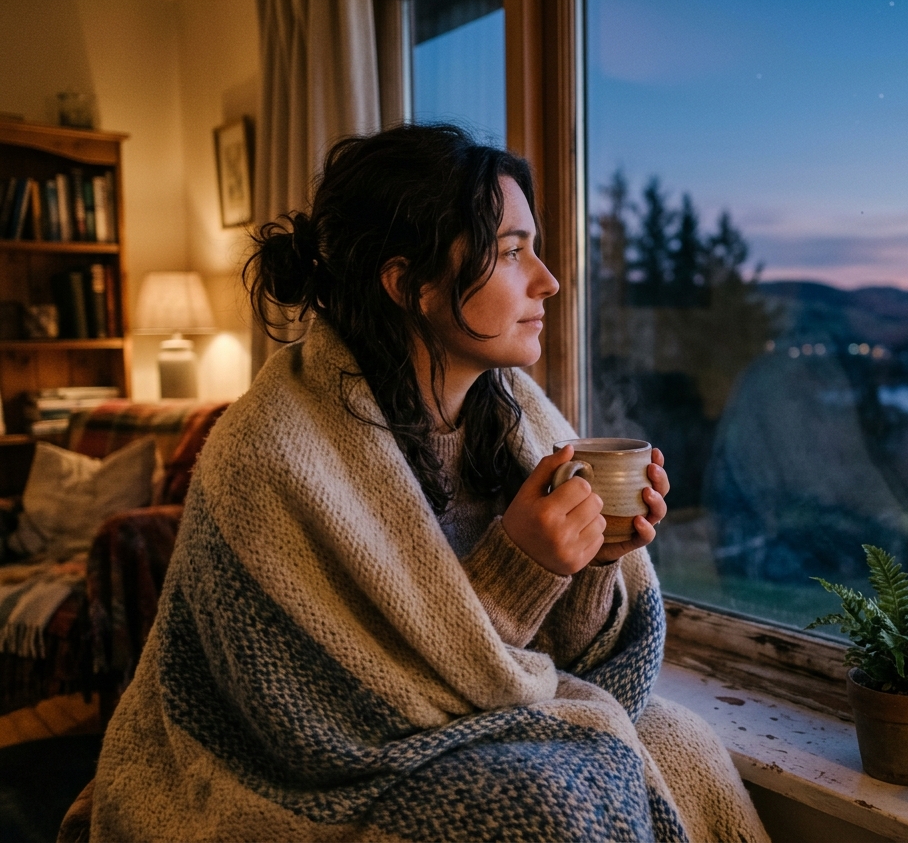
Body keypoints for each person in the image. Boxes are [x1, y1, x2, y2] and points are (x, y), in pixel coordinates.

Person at [89, 124, 768, 843]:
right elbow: (322, 724)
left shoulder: (517, 419)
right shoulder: (267, 456)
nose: (549, 279)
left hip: (473, 717)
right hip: (277, 772)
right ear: (408, 284)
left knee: (687, 748)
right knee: (548, 805)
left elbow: (585, 674)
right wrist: (521, 569)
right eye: (510, 252)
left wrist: (595, 563)